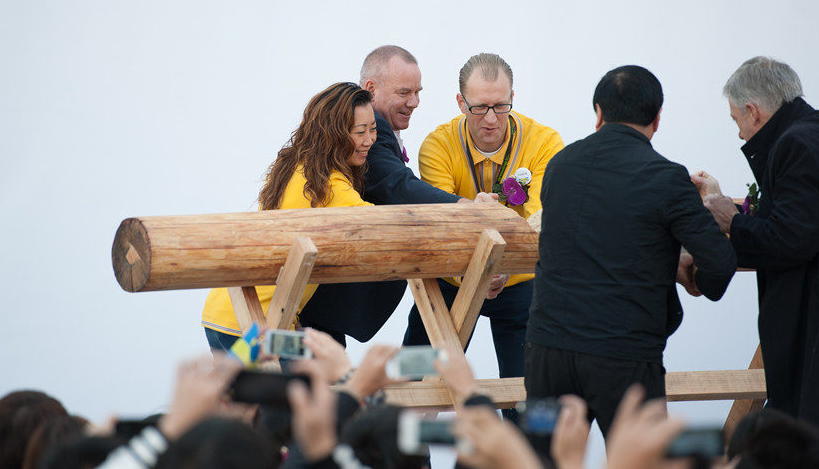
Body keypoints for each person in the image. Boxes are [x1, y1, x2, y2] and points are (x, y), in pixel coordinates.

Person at [525, 65, 736, 438]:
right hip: (625, 358)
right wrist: (692, 272)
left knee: (541, 459)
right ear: (656, 120)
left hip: (547, 354)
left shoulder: (560, 167)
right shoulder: (668, 178)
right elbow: (718, 267)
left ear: (599, 114)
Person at [697, 56, 819, 468]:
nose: (738, 132)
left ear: (753, 111)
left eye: (735, 120)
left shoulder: (795, 145)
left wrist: (733, 221)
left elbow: (792, 238)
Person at [298, 46, 496, 345]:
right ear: (370, 89)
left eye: (418, 92)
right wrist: (464, 207)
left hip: (291, 310)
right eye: (404, 92)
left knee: (324, 377)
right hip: (276, 313)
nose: (414, 102)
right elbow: (397, 185)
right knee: (304, 377)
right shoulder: (336, 174)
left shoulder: (313, 163)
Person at [404, 52, 564, 388]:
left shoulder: (546, 142)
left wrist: (502, 265)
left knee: (532, 391)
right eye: (479, 108)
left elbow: (540, 220)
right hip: (450, 281)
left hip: (521, 281)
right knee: (411, 379)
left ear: (512, 100)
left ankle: (528, 441)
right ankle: (400, 438)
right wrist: (478, 270)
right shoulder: (437, 145)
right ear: (461, 103)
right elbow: (444, 225)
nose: (491, 119)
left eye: (500, 106)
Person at [201, 82, 376, 350]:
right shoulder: (331, 186)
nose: (369, 140)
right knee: (303, 385)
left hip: (224, 314)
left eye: (373, 129)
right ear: (335, 134)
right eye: (360, 132)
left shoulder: (293, 167)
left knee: (250, 390)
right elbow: (383, 227)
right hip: (257, 323)